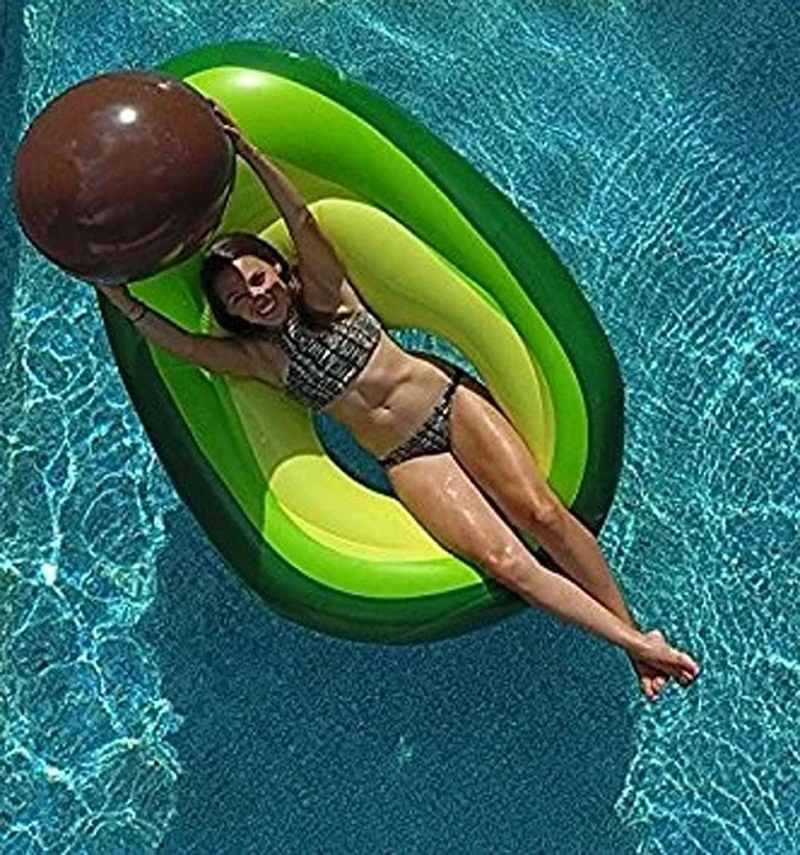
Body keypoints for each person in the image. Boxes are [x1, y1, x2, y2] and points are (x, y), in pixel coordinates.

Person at [96, 101, 700, 700]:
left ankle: (635, 637)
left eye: (257, 278)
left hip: (451, 404)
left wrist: (248, 151)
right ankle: (634, 644)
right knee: (507, 564)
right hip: (410, 459)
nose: (253, 296)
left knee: (541, 514)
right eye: (236, 298)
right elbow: (184, 345)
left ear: (280, 271)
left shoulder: (330, 295)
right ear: (231, 314)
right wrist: (121, 300)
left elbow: (301, 219)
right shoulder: (260, 359)